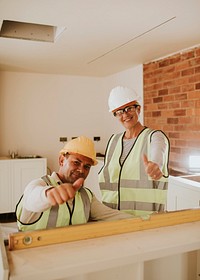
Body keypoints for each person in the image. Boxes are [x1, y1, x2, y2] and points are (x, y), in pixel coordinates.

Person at [16, 136, 132, 231]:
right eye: (76, 163)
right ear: (62, 160)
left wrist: (146, 221)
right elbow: (32, 199)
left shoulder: (86, 196)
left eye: (87, 167)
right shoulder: (39, 185)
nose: (81, 170)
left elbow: (113, 216)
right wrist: (49, 194)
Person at [98, 86, 170, 217]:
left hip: (146, 220)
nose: (125, 115)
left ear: (138, 109)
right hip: (112, 219)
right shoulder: (113, 141)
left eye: (129, 108)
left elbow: (158, 154)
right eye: (119, 112)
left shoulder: (154, 137)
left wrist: (155, 166)